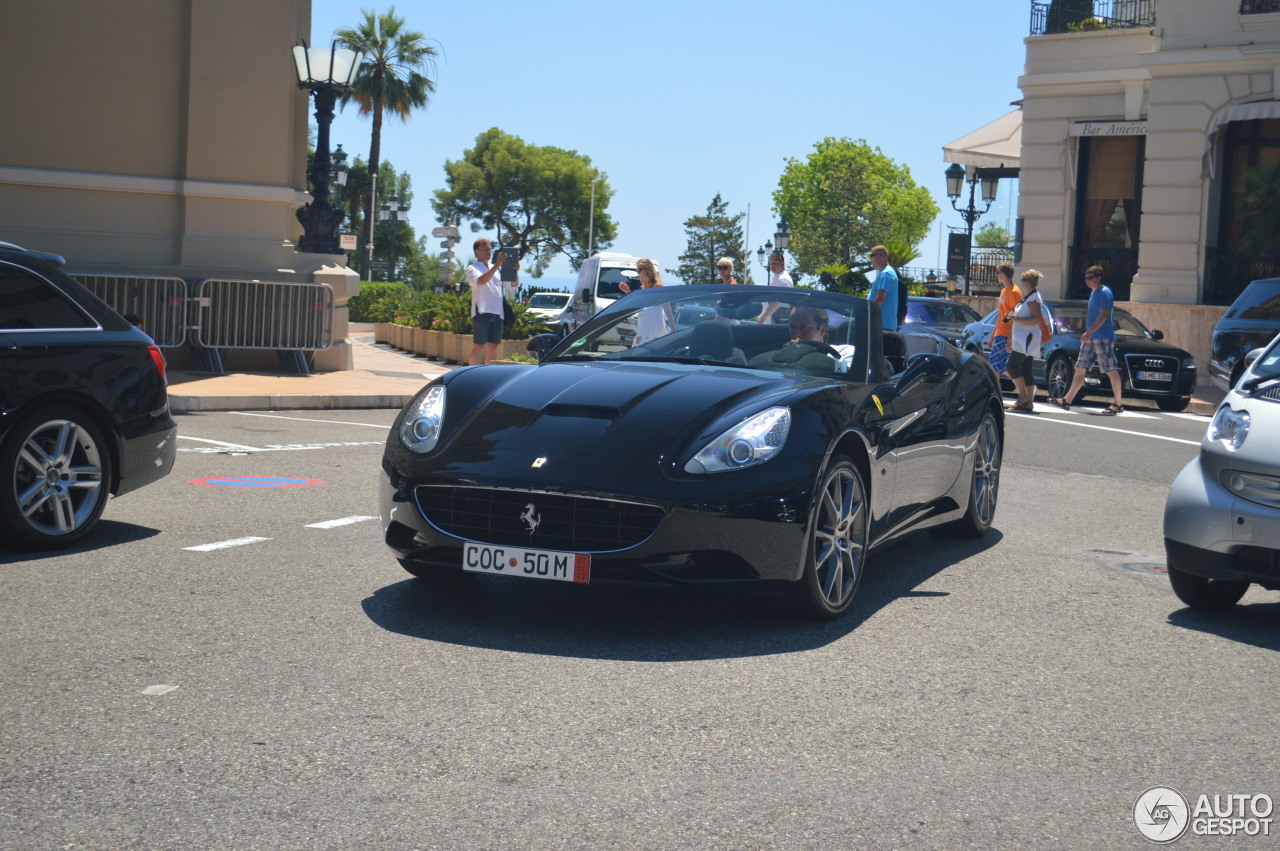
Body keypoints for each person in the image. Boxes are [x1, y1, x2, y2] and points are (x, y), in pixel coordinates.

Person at [1052, 265, 1124, 414]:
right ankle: (1067, 400)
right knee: (1080, 368)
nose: (1087, 281)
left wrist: (1089, 332)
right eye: (1086, 278)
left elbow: (1104, 316)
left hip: (1103, 336)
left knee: (1110, 369)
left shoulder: (1104, 292)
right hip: (1092, 337)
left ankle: (1118, 404)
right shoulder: (1094, 293)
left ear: (1098, 277)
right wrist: (1088, 333)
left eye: (1090, 277)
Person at [467, 238, 518, 366]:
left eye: (489, 249)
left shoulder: (497, 269)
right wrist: (496, 265)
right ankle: (472, 373)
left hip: (498, 312)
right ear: (477, 251)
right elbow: (481, 281)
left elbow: (512, 285)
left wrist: (515, 272)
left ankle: (488, 372)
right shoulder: (473, 268)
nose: (488, 252)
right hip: (482, 311)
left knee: (494, 346)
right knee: (479, 345)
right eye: (485, 249)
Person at [1005, 269, 1046, 412]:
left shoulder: (1033, 298)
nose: (1021, 282)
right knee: (1025, 369)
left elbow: (1036, 319)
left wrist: (1017, 318)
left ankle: (1022, 397)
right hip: (1022, 338)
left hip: (1027, 338)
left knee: (1011, 365)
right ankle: (1029, 403)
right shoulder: (1028, 297)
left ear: (1028, 282)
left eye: (1023, 280)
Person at [617, 258, 676, 346]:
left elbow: (667, 308)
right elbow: (638, 306)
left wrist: (673, 329)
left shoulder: (658, 286)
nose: (637, 273)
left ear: (647, 269)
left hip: (653, 328)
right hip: (644, 329)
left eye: (639, 270)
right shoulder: (645, 288)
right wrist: (627, 291)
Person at [988, 262, 1021, 379]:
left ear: (1004, 274)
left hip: (1007, 334)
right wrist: (992, 336)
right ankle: (995, 392)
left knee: (997, 365)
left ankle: (1024, 385)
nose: (997, 275)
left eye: (998, 272)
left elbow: (1015, 317)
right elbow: (1000, 316)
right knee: (996, 366)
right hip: (999, 334)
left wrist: (1010, 340)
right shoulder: (1003, 292)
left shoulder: (1014, 292)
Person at [867, 245, 900, 331]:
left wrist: (866, 311)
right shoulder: (885, 273)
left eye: (871, 256)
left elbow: (880, 298)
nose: (870, 259)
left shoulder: (886, 274)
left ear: (878, 256)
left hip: (882, 326)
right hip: (883, 325)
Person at [759, 250, 794, 323]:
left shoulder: (783, 279)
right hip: (774, 318)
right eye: (771, 264)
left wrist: (763, 317)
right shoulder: (778, 278)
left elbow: (779, 300)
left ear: (782, 263)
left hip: (779, 317)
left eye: (775, 263)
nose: (772, 266)